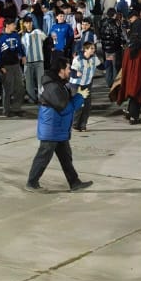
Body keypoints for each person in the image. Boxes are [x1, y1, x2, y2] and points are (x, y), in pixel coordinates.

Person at [24, 56, 93, 193]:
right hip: (51, 129)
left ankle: (74, 182)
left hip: (58, 128)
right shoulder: (53, 87)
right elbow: (65, 108)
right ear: (61, 70)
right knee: (43, 157)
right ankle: (32, 183)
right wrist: (80, 97)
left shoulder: (59, 83)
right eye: (68, 68)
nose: (70, 70)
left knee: (66, 157)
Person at [115, 33, 141, 125]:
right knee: (137, 98)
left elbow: (124, 65)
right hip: (140, 79)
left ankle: (129, 112)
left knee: (132, 96)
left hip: (128, 79)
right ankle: (134, 117)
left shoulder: (127, 51)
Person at [0, 18, 26, 118]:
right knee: (7, 89)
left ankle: (17, 108)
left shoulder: (16, 35)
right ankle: (6, 110)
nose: (15, 26)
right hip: (6, 66)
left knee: (20, 87)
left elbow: (20, 47)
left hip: (16, 64)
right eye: (13, 24)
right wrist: (1, 66)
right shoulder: (0, 37)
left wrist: (23, 56)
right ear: (7, 25)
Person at [70, 41, 100, 132]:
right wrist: (76, 74)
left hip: (87, 84)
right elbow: (72, 72)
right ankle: (75, 125)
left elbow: (101, 66)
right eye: (91, 48)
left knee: (87, 106)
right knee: (79, 105)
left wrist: (109, 61)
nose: (93, 50)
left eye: (94, 48)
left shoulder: (94, 58)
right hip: (77, 85)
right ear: (85, 49)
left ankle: (83, 125)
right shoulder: (78, 59)